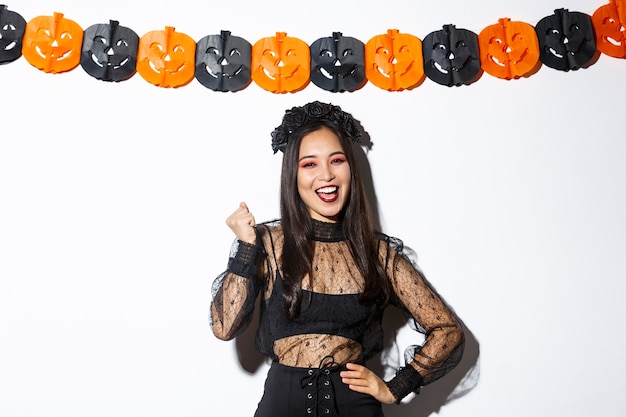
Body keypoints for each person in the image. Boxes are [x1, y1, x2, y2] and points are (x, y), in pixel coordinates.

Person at [210, 101, 464, 417]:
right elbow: (224, 327)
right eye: (309, 164)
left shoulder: (379, 255)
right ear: (293, 175)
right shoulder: (268, 244)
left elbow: (447, 329)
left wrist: (396, 387)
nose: (326, 175)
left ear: (350, 168)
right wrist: (246, 247)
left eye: (337, 160)